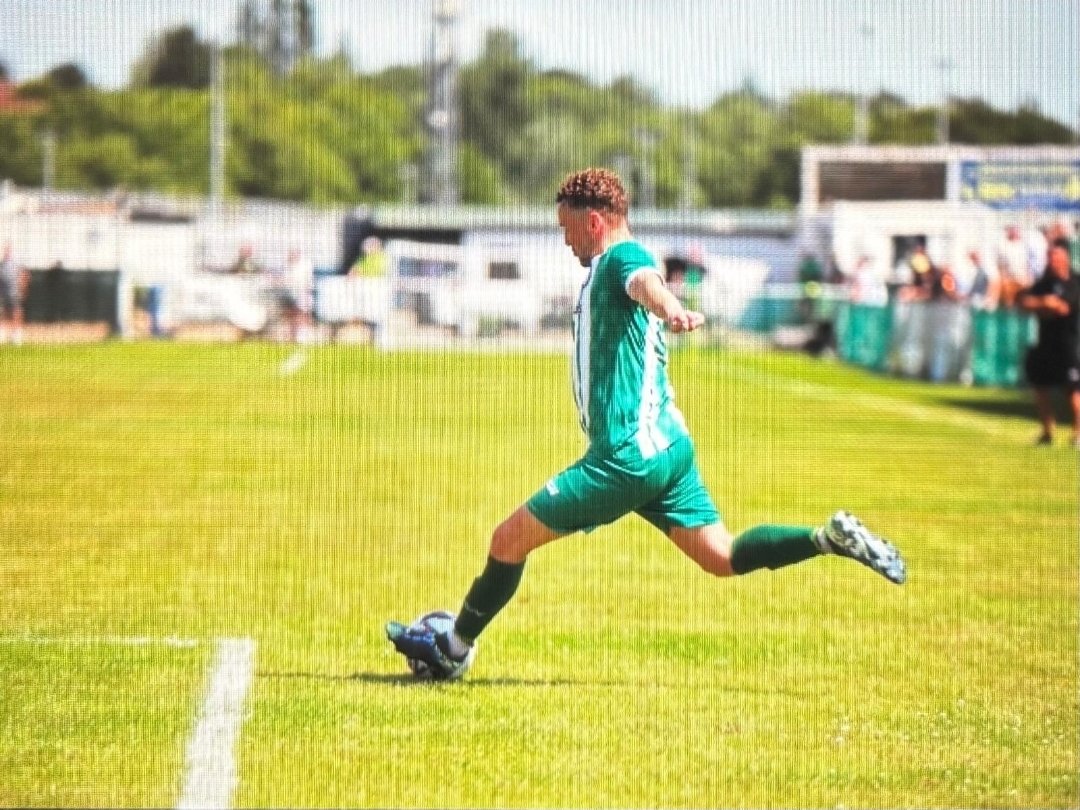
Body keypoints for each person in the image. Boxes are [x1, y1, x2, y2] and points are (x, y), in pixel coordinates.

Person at [386, 168, 906, 679]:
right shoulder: (610, 266)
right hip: (670, 448)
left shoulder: (619, 259)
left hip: (624, 459)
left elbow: (645, 282)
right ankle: (826, 539)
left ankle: (451, 648)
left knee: (507, 541)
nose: (567, 243)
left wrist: (672, 307)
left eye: (568, 231)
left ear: (594, 222)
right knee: (721, 556)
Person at [1016, 239, 1080, 448]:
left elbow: (1063, 308)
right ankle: (1047, 431)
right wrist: (1044, 302)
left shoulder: (1074, 282)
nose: (1050, 260)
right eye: (1049, 256)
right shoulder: (1043, 283)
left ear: (1065, 258)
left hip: (1069, 344)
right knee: (1040, 386)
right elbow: (1023, 302)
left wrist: (1043, 305)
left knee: (1072, 390)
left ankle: (1077, 433)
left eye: (1054, 256)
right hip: (1045, 343)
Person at [0, 242, 28, 345]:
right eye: (5, 250)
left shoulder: (16, 264)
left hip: (14, 293)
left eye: (8, 250)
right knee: (3, 312)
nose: (6, 252)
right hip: (4, 294)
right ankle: (2, 334)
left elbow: (24, 275)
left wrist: (23, 289)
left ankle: (17, 335)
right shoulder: (2, 265)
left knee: (16, 312)